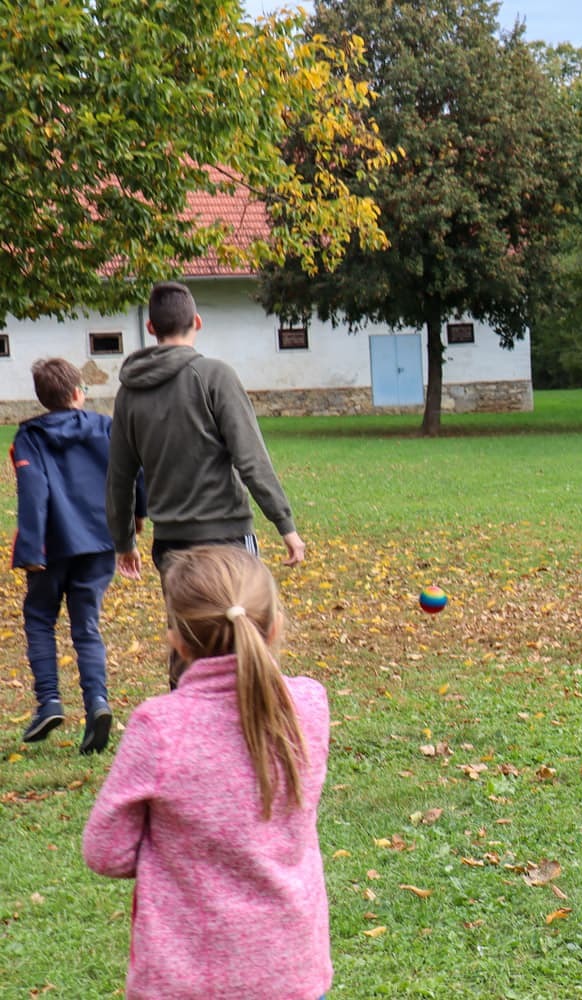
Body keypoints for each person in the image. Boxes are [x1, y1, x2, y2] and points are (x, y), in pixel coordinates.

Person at [82, 545, 331, 1000]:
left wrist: (175, 849)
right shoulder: (309, 706)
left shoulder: (160, 727)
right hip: (293, 972)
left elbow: (107, 852)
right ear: (275, 627)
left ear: (177, 641)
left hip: (188, 981)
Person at [106, 280, 305, 683]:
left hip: (171, 546)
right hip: (228, 537)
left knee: (189, 641)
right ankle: (254, 711)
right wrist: (285, 524)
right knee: (246, 635)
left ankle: (184, 715)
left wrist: (124, 542)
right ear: (197, 321)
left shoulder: (129, 392)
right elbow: (251, 459)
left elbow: (120, 477)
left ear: (151, 328)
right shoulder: (216, 376)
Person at [12, 358, 144, 752]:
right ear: (77, 393)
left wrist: (31, 548)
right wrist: (136, 519)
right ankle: (97, 702)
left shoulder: (30, 437)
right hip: (100, 542)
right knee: (86, 625)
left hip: (51, 546)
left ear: (42, 398)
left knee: (39, 619)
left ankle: (49, 701)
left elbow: (33, 488)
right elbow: (134, 472)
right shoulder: (106, 427)